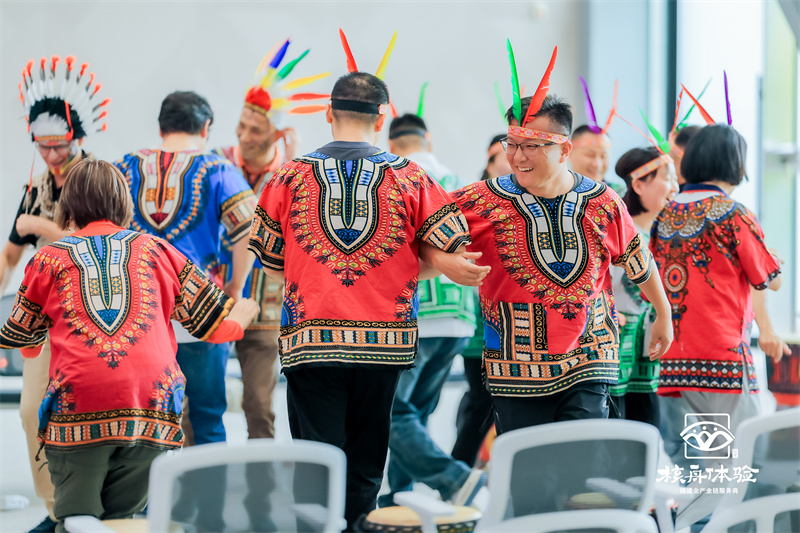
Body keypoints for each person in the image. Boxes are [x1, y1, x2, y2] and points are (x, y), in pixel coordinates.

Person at [249, 67, 484, 529]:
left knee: (316, 462)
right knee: (366, 462)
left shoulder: (286, 178)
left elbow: (273, 261)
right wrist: (401, 264)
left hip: (311, 341)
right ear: (381, 119)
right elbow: (443, 249)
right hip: (384, 343)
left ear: (328, 113)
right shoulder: (411, 177)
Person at [0, 159, 259, 533]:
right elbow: (215, 329)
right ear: (123, 203)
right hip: (152, 411)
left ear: (68, 206)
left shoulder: (49, 258)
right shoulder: (159, 251)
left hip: (78, 410)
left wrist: (41, 340)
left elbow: (24, 341)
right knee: (121, 521)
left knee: (77, 521)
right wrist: (243, 317)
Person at [448, 45, 673, 433]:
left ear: (565, 148)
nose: (518, 157)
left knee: (581, 457)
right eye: (512, 144)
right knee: (527, 462)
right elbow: (422, 232)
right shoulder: (479, 200)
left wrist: (664, 313)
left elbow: (638, 259)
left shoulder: (603, 201)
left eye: (531, 146)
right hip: (514, 365)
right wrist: (444, 261)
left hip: (591, 355)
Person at [114, 91, 257, 530]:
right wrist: (234, 288)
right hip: (202, 316)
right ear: (206, 128)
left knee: (144, 419)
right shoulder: (219, 170)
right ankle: (210, 517)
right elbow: (248, 230)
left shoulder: (124, 168)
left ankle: (147, 516)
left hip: (140, 318)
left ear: (161, 127)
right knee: (208, 416)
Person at [212, 41, 329, 532]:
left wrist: (295, 163)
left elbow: (306, 231)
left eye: (255, 130)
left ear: (277, 133)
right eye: (240, 126)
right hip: (212, 304)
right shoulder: (217, 163)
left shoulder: (292, 173)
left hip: (265, 310)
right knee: (200, 404)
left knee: (259, 408)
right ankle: (201, 497)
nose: (243, 136)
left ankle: (260, 503)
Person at [1, 55, 107, 533]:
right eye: (42, 147)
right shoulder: (36, 188)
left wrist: (40, 227)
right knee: (32, 412)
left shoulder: (98, 179)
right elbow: (9, 255)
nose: (51, 155)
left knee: (90, 411)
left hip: (96, 313)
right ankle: (54, 509)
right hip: (46, 316)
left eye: (59, 145)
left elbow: (104, 239)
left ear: (77, 137)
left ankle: (96, 506)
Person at [651, 124, 783, 468]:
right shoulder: (733, 213)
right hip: (723, 356)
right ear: (734, 163)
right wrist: (771, 258)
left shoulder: (665, 215)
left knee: (703, 463)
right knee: (741, 460)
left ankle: (701, 506)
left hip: (677, 359)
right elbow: (770, 280)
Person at [378, 113, 483, 508]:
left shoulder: (396, 178)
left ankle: (455, 479)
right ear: (429, 141)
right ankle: (400, 497)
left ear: (391, 146)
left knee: (389, 412)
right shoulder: (456, 181)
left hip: (416, 314)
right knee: (413, 414)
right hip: (459, 316)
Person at [608, 147, 679, 426]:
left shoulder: (662, 234)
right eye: (667, 178)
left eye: (675, 179)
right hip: (615, 343)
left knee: (646, 428)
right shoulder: (616, 232)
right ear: (638, 185)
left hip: (648, 350)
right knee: (614, 429)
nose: (675, 187)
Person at [451, 134, 509, 468]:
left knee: (493, 402)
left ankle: (466, 470)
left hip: (517, 322)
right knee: (482, 399)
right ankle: (459, 471)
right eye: (506, 152)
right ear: (490, 161)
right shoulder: (473, 203)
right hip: (482, 320)